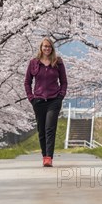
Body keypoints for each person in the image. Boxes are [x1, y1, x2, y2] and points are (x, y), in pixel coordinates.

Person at [24, 37, 68, 167]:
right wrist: (31, 97)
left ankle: (49, 157)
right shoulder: (34, 63)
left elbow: (64, 82)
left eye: (49, 46)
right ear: (41, 48)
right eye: (45, 46)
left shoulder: (58, 62)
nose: (47, 48)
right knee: (41, 130)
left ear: (52, 48)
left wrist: (61, 96)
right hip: (38, 101)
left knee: (50, 128)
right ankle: (44, 156)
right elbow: (27, 82)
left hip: (54, 100)